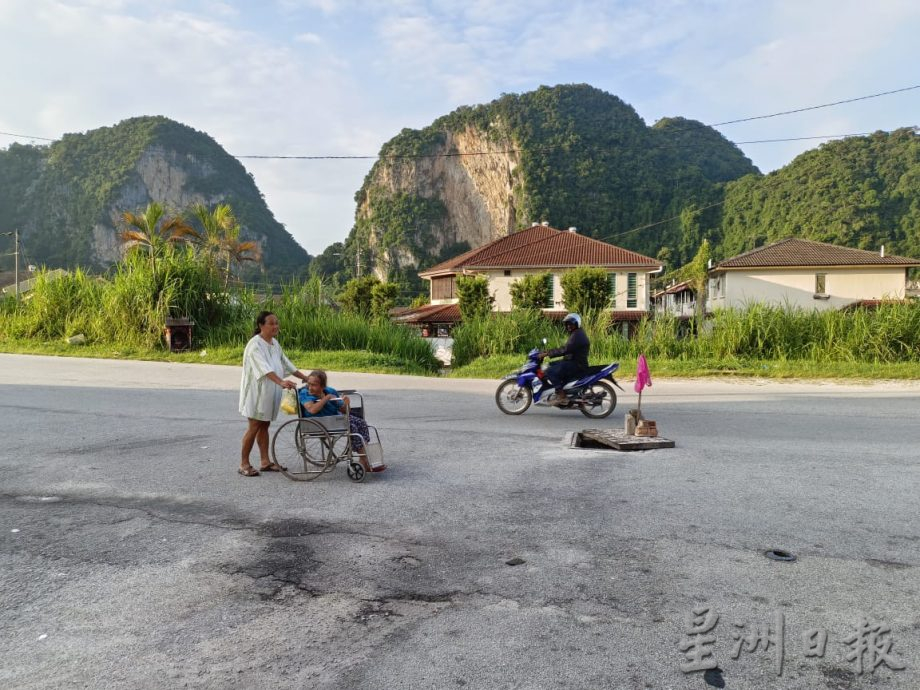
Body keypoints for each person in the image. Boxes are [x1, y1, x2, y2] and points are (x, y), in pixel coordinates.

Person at [238, 311, 309, 476]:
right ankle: (244, 464)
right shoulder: (254, 345)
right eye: (271, 323)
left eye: (276, 323)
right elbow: (263, 368)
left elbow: (286, 363)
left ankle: (265, 461)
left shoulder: (274, 343)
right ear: (261, 326)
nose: (275, 326)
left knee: (265, 425)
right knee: (254, 426)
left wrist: (305, 377)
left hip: (270, 393)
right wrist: (281, 382)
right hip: (255, 394)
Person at [298, 369, 386, 473]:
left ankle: (363, 459)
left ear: (322, 386)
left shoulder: (330, 391)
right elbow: (312, 409)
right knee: (351, 427)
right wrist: (327, 398)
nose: (310, 387)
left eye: (314, 385)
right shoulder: (305, 393)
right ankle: (366, 460)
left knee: (361, 423)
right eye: (309, 384)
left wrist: (346, 403)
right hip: (318, 422)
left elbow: (344, 410)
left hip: (335, 419)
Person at [540, 313, 589, 406]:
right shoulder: (576, 333)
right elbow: (566, 348)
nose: (569, 326)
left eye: (571, 324)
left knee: (549, 371)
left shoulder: (577, 335)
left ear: (576, 324)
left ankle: (561, 395)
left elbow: (565, 350)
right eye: (567, 324)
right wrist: (548, 351)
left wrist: (547, 353)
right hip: (572, 361)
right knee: (549, 365)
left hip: (576, 364)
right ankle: (559, 389)